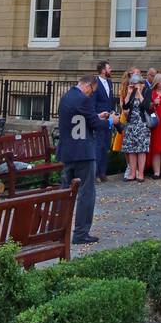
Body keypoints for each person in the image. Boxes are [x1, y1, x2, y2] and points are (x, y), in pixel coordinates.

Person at [56, 73, 110, 245]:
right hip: (84, 153)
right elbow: (95, 125)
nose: (91, 94)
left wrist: (96, 116)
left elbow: (81, 119)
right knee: (87, 194)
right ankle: (80, 233)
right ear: (88, 85)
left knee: (65, 193)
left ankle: (59, 230)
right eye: (92, 91)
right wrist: (110, 121)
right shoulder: (84, 100)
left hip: (67, 152)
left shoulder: (67, 97)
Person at [122, 74, 153, 182]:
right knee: (131, 149)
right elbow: (125, 107)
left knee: (141, 150)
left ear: (141, 84)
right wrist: (129, 93)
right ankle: (132, 173)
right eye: (132, 84)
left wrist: (139, 93)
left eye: (136, 84)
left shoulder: (147, 91)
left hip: (142, 124)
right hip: (131, 123)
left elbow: (146, 106)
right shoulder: (131, 92)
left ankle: (141, 173)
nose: (134, 86)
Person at [91, 60, 115, 184]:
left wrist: (112, 112)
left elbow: (110, 100)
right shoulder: (95, 82)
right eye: (109, 68)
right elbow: (93, 101)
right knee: (98, 146)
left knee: (106, 146)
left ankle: (103, 172)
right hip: (99, 118)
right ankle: (94, 173)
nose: (111, 70)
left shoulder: (110, 82)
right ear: (103, 70)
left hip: (109, 118)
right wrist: (96, 116)